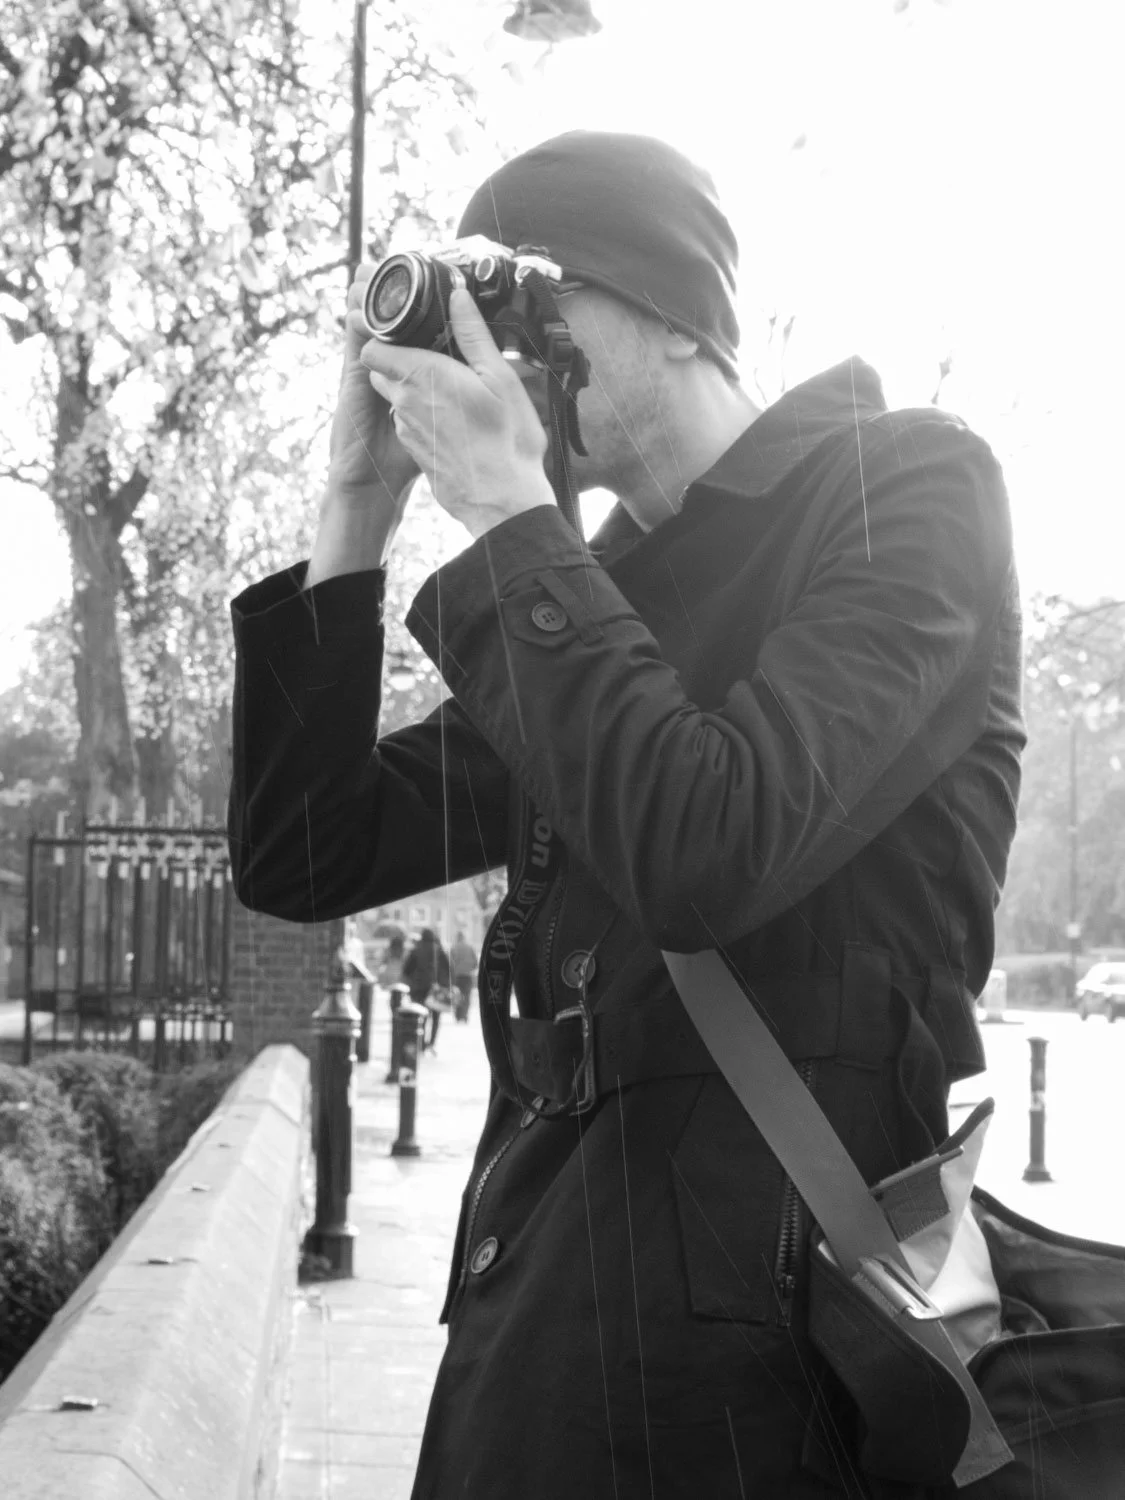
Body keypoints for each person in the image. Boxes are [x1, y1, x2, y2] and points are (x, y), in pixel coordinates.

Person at [227, 131, 1024, 1498]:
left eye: (533, 311)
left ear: (673, 313)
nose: (510, 363)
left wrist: (509, 514)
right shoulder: (588, 590)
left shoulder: (905, 488)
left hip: (778, 1347)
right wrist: (355, 507)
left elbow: (709, 851)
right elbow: (307, 852)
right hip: (542, 1295)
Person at [402, 927, 452, 1052]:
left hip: (419, 989)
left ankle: (421, 1042)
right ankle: (432, 1043)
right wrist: (445, 984)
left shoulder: (416, 950)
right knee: (436, 1017)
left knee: (421, 1016)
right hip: (436, 989)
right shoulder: (439, 950)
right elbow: (449, 969)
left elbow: (406, 970)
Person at [450, 930, 477, 1022]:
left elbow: (450, 963)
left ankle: (458, 1015)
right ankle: (465, 1015)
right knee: (467, 996)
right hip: (468, 976)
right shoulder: (470, 947)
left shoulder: (454, 948)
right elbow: (475, 963)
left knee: (457, 996)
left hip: (457, 976)